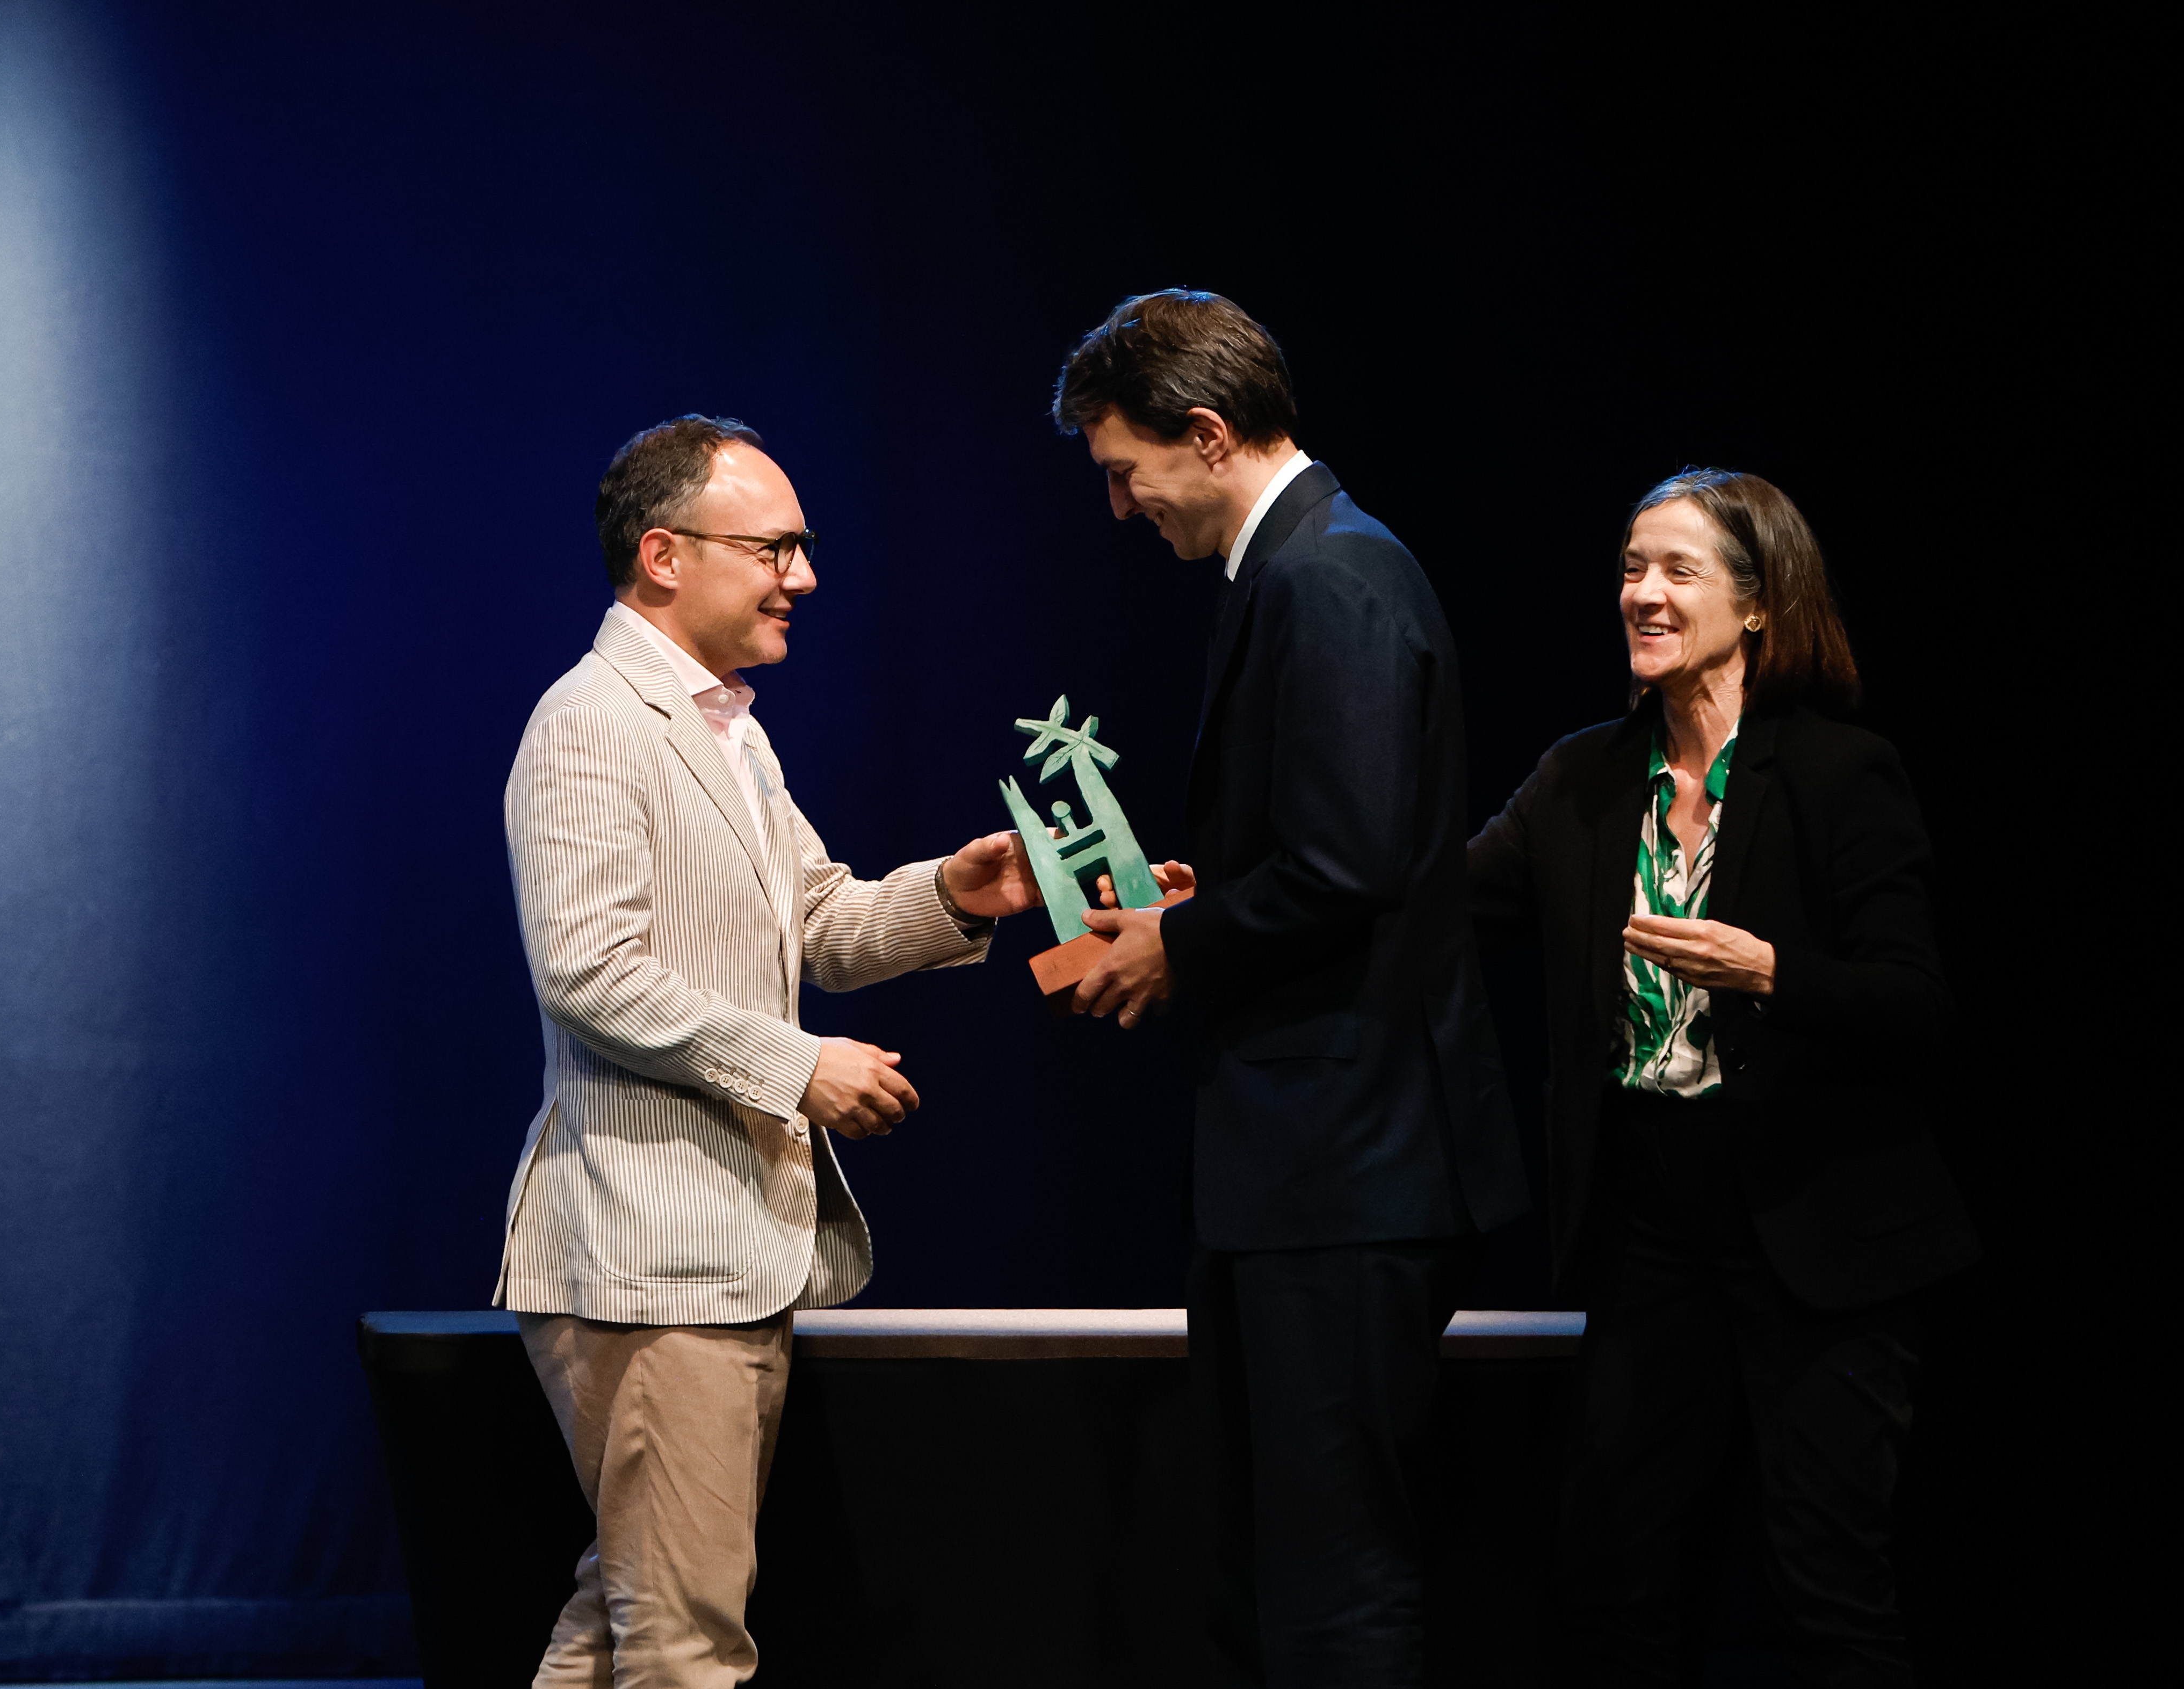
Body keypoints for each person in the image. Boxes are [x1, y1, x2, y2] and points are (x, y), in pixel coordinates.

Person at [498, 414, 1038, 1688]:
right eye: (774, 549)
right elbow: (588, 970)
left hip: (718, 1255)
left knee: (621, 1623)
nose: (804, 576)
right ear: (664, 554)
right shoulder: (594, 721)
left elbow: (818, 921)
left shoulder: (728, 730)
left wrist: (953, 895)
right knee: (683, 1644)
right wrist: (798, 1067)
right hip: (648, 1258)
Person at [1053, 290, 1530, 1686]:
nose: (1119, 507)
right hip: (1314, 1168)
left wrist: (1177, 945)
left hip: (1349, 1167)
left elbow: (1352, 863)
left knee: (1333, 1583)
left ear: (1206, 435)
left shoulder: (1328, 575)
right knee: (1275, 1571)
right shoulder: (1299, 569)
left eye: (1124, 472)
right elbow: (1337, 849)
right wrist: (1204, 901)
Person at [1467, 468, 1979, 1684]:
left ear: (1755, 605)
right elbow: (1430, 914)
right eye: (1629, 569)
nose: (1641, 593)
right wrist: (1231, 908)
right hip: (1650, 1226)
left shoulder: (1839, 773)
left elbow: (1916, 1005)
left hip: (1817, 1228)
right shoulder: (1581, 778)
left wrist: (1769, 971)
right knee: (1614, 1579)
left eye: (1676, 570)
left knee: (1825, 1587)